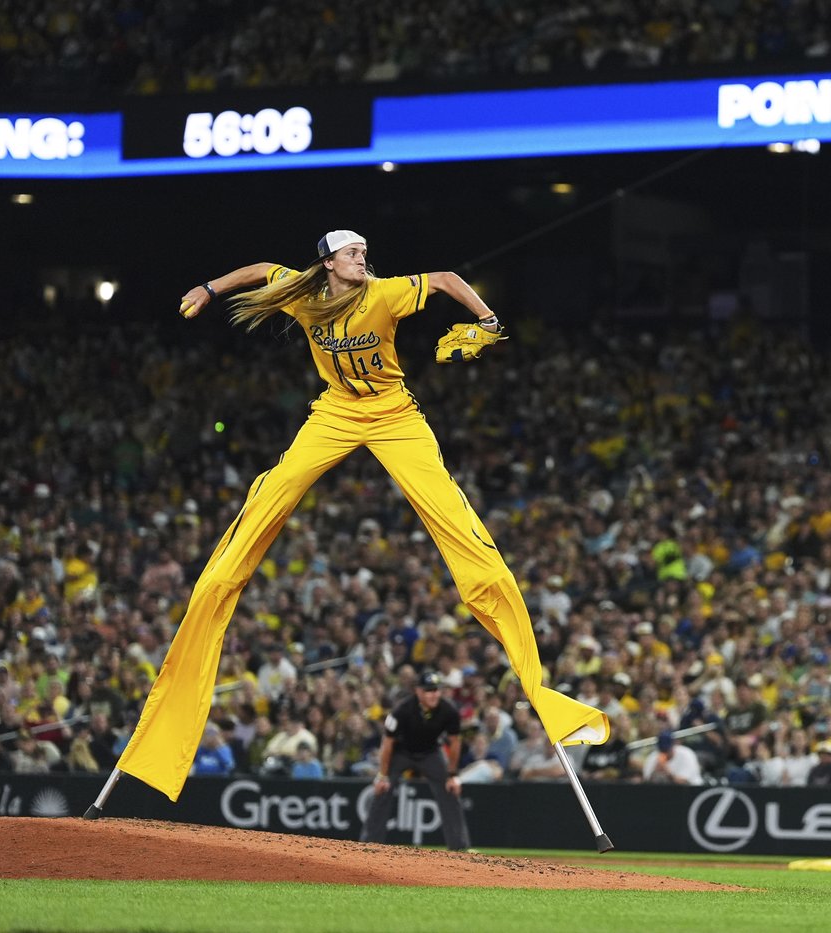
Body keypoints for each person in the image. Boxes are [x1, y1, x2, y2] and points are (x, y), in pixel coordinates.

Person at [116, 230, 607, 802]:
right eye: (353, 254)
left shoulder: (383, 293)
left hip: (395, 416)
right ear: (328, 263)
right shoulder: (304, 292)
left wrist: (490, 321)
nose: (363, 260)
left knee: (452, 514)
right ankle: (219, 582)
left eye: (364, 253)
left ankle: (534, 674)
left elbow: (447, 279)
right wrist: (206, 288)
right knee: (272, 492)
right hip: (334, 415)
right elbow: (259, 269)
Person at [360, 670, 471, 851]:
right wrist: (382, 775)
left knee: (449, 790)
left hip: (430, 753)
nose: (434, 694)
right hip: (401, 752)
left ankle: (459, 847)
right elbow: (387, 743)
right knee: (383, 789)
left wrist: (452, 774)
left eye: (436, 689)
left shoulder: (449, 711)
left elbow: (455, 742)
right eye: (428, 690)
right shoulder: (402, 710)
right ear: (418, 691)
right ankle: (369, 844)